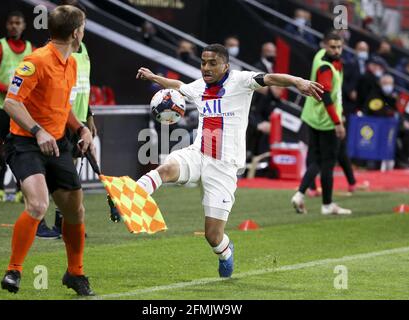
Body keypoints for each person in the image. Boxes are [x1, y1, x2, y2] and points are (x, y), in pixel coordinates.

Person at [135, 43, 323, 278]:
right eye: (203, 62)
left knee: (212, 235)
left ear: (226, 65)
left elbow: (271, 78)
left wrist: (297, 82)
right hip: (199, 152)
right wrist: (154, 77)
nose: (206, 67)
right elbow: (179, 86)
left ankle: (225, 252)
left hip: (224, 166)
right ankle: (134, 195)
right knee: (166, 168)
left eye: (212, 63)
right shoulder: (200, 86)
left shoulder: (240, 81)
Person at [0, 5, 95, 296]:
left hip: (59, 143)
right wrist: (37, 130)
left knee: (75, 211)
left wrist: (81, 128)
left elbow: (61, 106)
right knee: (39, 205)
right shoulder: (35, 61)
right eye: (83, 28)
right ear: (76, 32)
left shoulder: (72, 63)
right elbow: (11, 103)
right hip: (26, 143)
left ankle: (75, 273)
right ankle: (13, 271)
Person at [36, 0, 98, 240]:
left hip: (77, 119)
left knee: (70, 172)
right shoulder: (52, 51)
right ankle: (38, 221)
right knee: (45, 170)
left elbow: (84, 86)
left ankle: (64, 224)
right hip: (56, 118)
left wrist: (89, 116)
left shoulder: (83, 51)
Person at [291, 31, 352, 215]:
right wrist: (338, 122)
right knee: (327, 163)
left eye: (339, 47)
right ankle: (327, 205)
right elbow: (327, 97)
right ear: (325, 46)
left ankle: (300, 194)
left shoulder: (319, 56)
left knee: (316, 160)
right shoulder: (326, 67)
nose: (336, 50)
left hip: (312, 116)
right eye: (333, 47)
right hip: (326, 120)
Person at [0, 11, 33, 203]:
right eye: (11, 23)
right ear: (7, 25)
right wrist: (10, 90)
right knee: (0, 148)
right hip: (1, 106)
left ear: (23, 26)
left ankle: (21, 191)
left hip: (22, 108)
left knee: (22, 148)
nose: (14, 26)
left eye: (18, 23)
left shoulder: (31, 49)